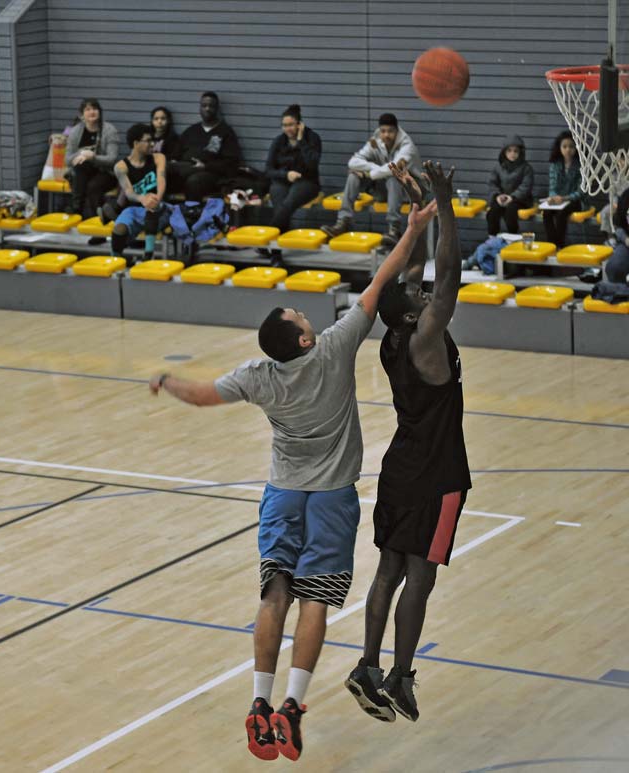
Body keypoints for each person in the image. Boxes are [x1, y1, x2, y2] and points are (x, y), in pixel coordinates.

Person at [149, 162, 441, 762]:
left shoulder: (259, 376)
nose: (305, 316)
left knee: (273, 594)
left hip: (282, 493)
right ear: (304, 340)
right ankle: (292, 707)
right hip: (332, 497)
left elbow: (203, 395)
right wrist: (413, 229)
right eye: (299, 318)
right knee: (316, 600)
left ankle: (258, 702)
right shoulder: (334, 349)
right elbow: (381, 280)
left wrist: (168, 382)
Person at [344, 163, 472, 725]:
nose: (423, 294)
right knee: (419, 577)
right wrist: (445, 203)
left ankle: (368, 666)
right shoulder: (426, 339)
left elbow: (417, 272)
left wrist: (414, 209)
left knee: (388, 570)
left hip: (398, 469)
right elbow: (448, 274)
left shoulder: (392, 339)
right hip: (438, 475)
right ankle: (400, 676)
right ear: (415, 313)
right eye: (418, 296)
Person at [321, 113, 422, 246]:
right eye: (383, 131)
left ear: (397, 131)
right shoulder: (376, 141)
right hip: (384, 191)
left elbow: (394, 169)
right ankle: (344, 221)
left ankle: (394, 228)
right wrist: (373, 168)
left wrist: (369, 174)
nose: (386, 135)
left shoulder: (407, 146)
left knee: (393, 178)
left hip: (409, 193)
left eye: (390, 131)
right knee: (354, 175)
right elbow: (353, 162)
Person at [260, 104, 321, 265]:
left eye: (291, 125)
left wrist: (301, 142)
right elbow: (268, 170)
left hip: (307, 182)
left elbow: (312, 164)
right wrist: (285, 174)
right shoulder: (278, 142)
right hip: (282, 180)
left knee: (286, 205)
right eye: (285, 125)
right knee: (280, 205)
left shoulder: (312, 138)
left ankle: (266, 241)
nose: (288, 129)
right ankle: (276, 254)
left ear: (300, 124)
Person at [110, 124, 168, 265]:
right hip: (134, 209)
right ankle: (116, 259)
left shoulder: (158, 158)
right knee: (119, 229)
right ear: (136, 143)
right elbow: (129, 192)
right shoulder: (121, 167)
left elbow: (161, 180)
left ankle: (148, 256)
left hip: (158, 209)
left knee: (152, 210)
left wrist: (156, 199)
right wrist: (143, 199)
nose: (152, 144)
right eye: (148, 141)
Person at [171, 91, 241, 200]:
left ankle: (192, 213)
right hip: (186, 167)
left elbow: (231, 164)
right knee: (163, 173)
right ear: (200, 108)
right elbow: (176, 153)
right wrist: (174, 162)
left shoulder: (226, 132)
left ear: (217, 109)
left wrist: (205, 166)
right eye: (204, 106)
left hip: (210, 174)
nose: (207, 109)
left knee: (194, 181)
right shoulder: (191, 131)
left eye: (211, 106)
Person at [65, 98, 119, 219]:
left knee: (92, 186)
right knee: (80, 166)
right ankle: (79, 210)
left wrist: (93, 157)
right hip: (83, 172)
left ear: (100, 112)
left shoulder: (109, 130)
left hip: (106, 172)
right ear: (81, 115)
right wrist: (81, 153)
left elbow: (112, 159)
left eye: (95, 109)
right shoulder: (75, 131)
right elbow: (68, 160)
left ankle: (93, 217)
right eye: (88, 109)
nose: (92, 112)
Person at [542, 130, 585, 249]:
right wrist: (553, 197)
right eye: (564, 146)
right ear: (559, 148)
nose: (568, 150)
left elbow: (581, 192)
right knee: (546, 213)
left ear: (576, 148)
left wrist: (565, 198)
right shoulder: (555, 164)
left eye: (571, 146)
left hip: (574, 201)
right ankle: (552, 245)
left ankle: (559, 245)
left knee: (561, 214)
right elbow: (552, 186)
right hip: (558, 201)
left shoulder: (581, 166)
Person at [486, 134, 534, 235]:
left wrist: (512, 197)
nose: (512, 154)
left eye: (515, 151)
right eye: (509, 150)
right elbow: (492, 183)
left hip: (520, 200)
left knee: (510, 212)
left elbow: (526, 186)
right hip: (502, 198)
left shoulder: (526, 168)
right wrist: (497, 196)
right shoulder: (498, 167)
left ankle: (512, 238)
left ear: (520, 152)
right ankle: (493, 239)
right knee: (492, 212)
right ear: (504, 152)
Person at [604, 187, 629, 283]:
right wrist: (626, 239)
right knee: (614, 268)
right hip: (626, 243)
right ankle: (621, 294)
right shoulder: (626, 195)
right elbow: (618, 225)